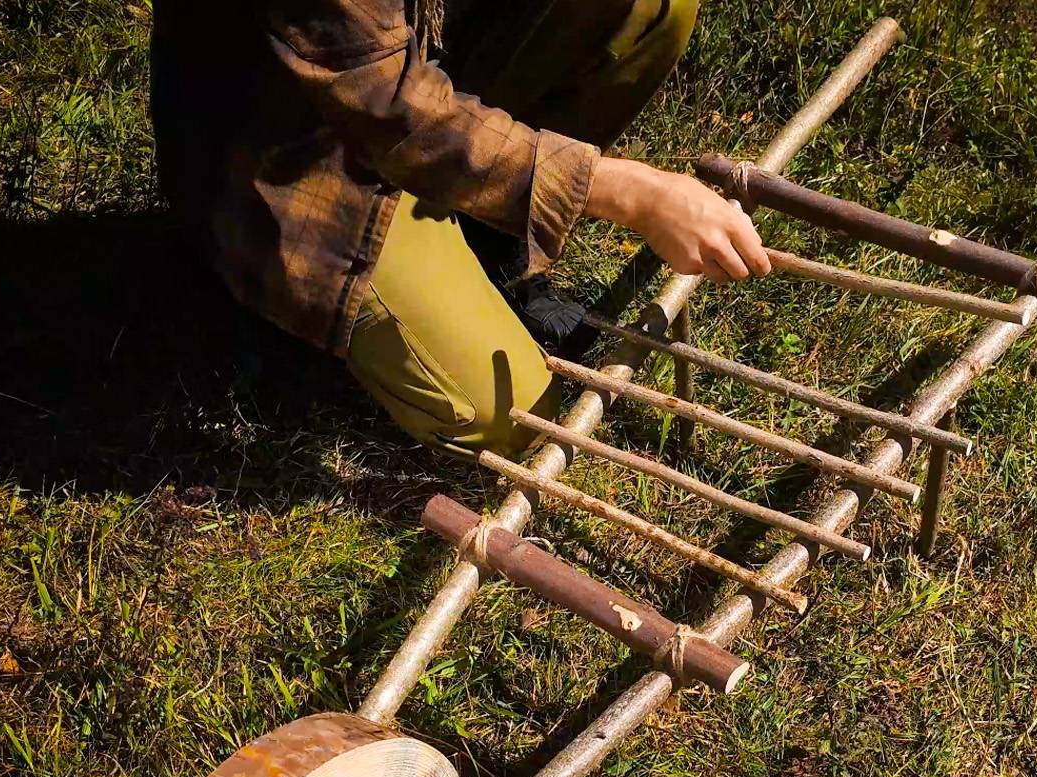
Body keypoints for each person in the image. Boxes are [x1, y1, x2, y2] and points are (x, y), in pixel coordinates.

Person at [150, 0, 771, 455]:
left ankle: (490, 237)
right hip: (304, 173)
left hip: (417, 57)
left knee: (649, 8)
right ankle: (307, 320)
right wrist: (630, 191)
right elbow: (394, 111)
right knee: (515, 414)